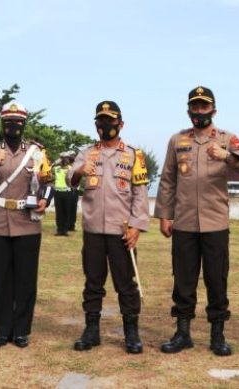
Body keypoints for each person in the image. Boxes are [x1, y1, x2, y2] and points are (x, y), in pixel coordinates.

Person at [154, 86, 239, 356]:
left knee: (216, 280)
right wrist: (164, 214)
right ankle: (182, 333)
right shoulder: (177, 140)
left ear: (213, 110)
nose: (199, 111)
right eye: (195, 107)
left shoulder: (227, 138)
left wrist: (227, 155)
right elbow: (168, 179)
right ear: (189, 110)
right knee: (183, 280)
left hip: (215, 222)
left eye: (204, 106)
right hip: (184, 222)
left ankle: (217, 335)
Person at [70, 101, 150, 354]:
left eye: (110, 121)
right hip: (93, 230)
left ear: (120, 124)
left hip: (121, 231)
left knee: (126, 284)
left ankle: (131, 332)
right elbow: (71, 179)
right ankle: (91, 330)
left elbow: (140, 193)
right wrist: (80, 170)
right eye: (100, 122)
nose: (105, 126)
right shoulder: (86, 153)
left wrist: (136, 226)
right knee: (93, 282)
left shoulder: (133, 155)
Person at [0, 101, 53, 348]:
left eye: (17, 122)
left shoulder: (37, 152)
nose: (13, 126)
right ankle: (2, 329)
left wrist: (44, 201)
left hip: (27, 222)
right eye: (8, 122)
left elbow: (48, 181)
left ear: (24, 124)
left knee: (26, 279)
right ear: (2, 123)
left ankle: (21, 330)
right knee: (2, 279)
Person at [53, 152, 72, 236]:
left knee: (67, 211)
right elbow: (48, 167)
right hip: (58, 192)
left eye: (65, 159)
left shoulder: (70, 168)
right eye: (62, 159)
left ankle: (65, 230)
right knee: (59, 212)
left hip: (67, 192)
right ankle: (59, 230)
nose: (64, 160)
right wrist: (56, 161)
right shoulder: (56, 168)